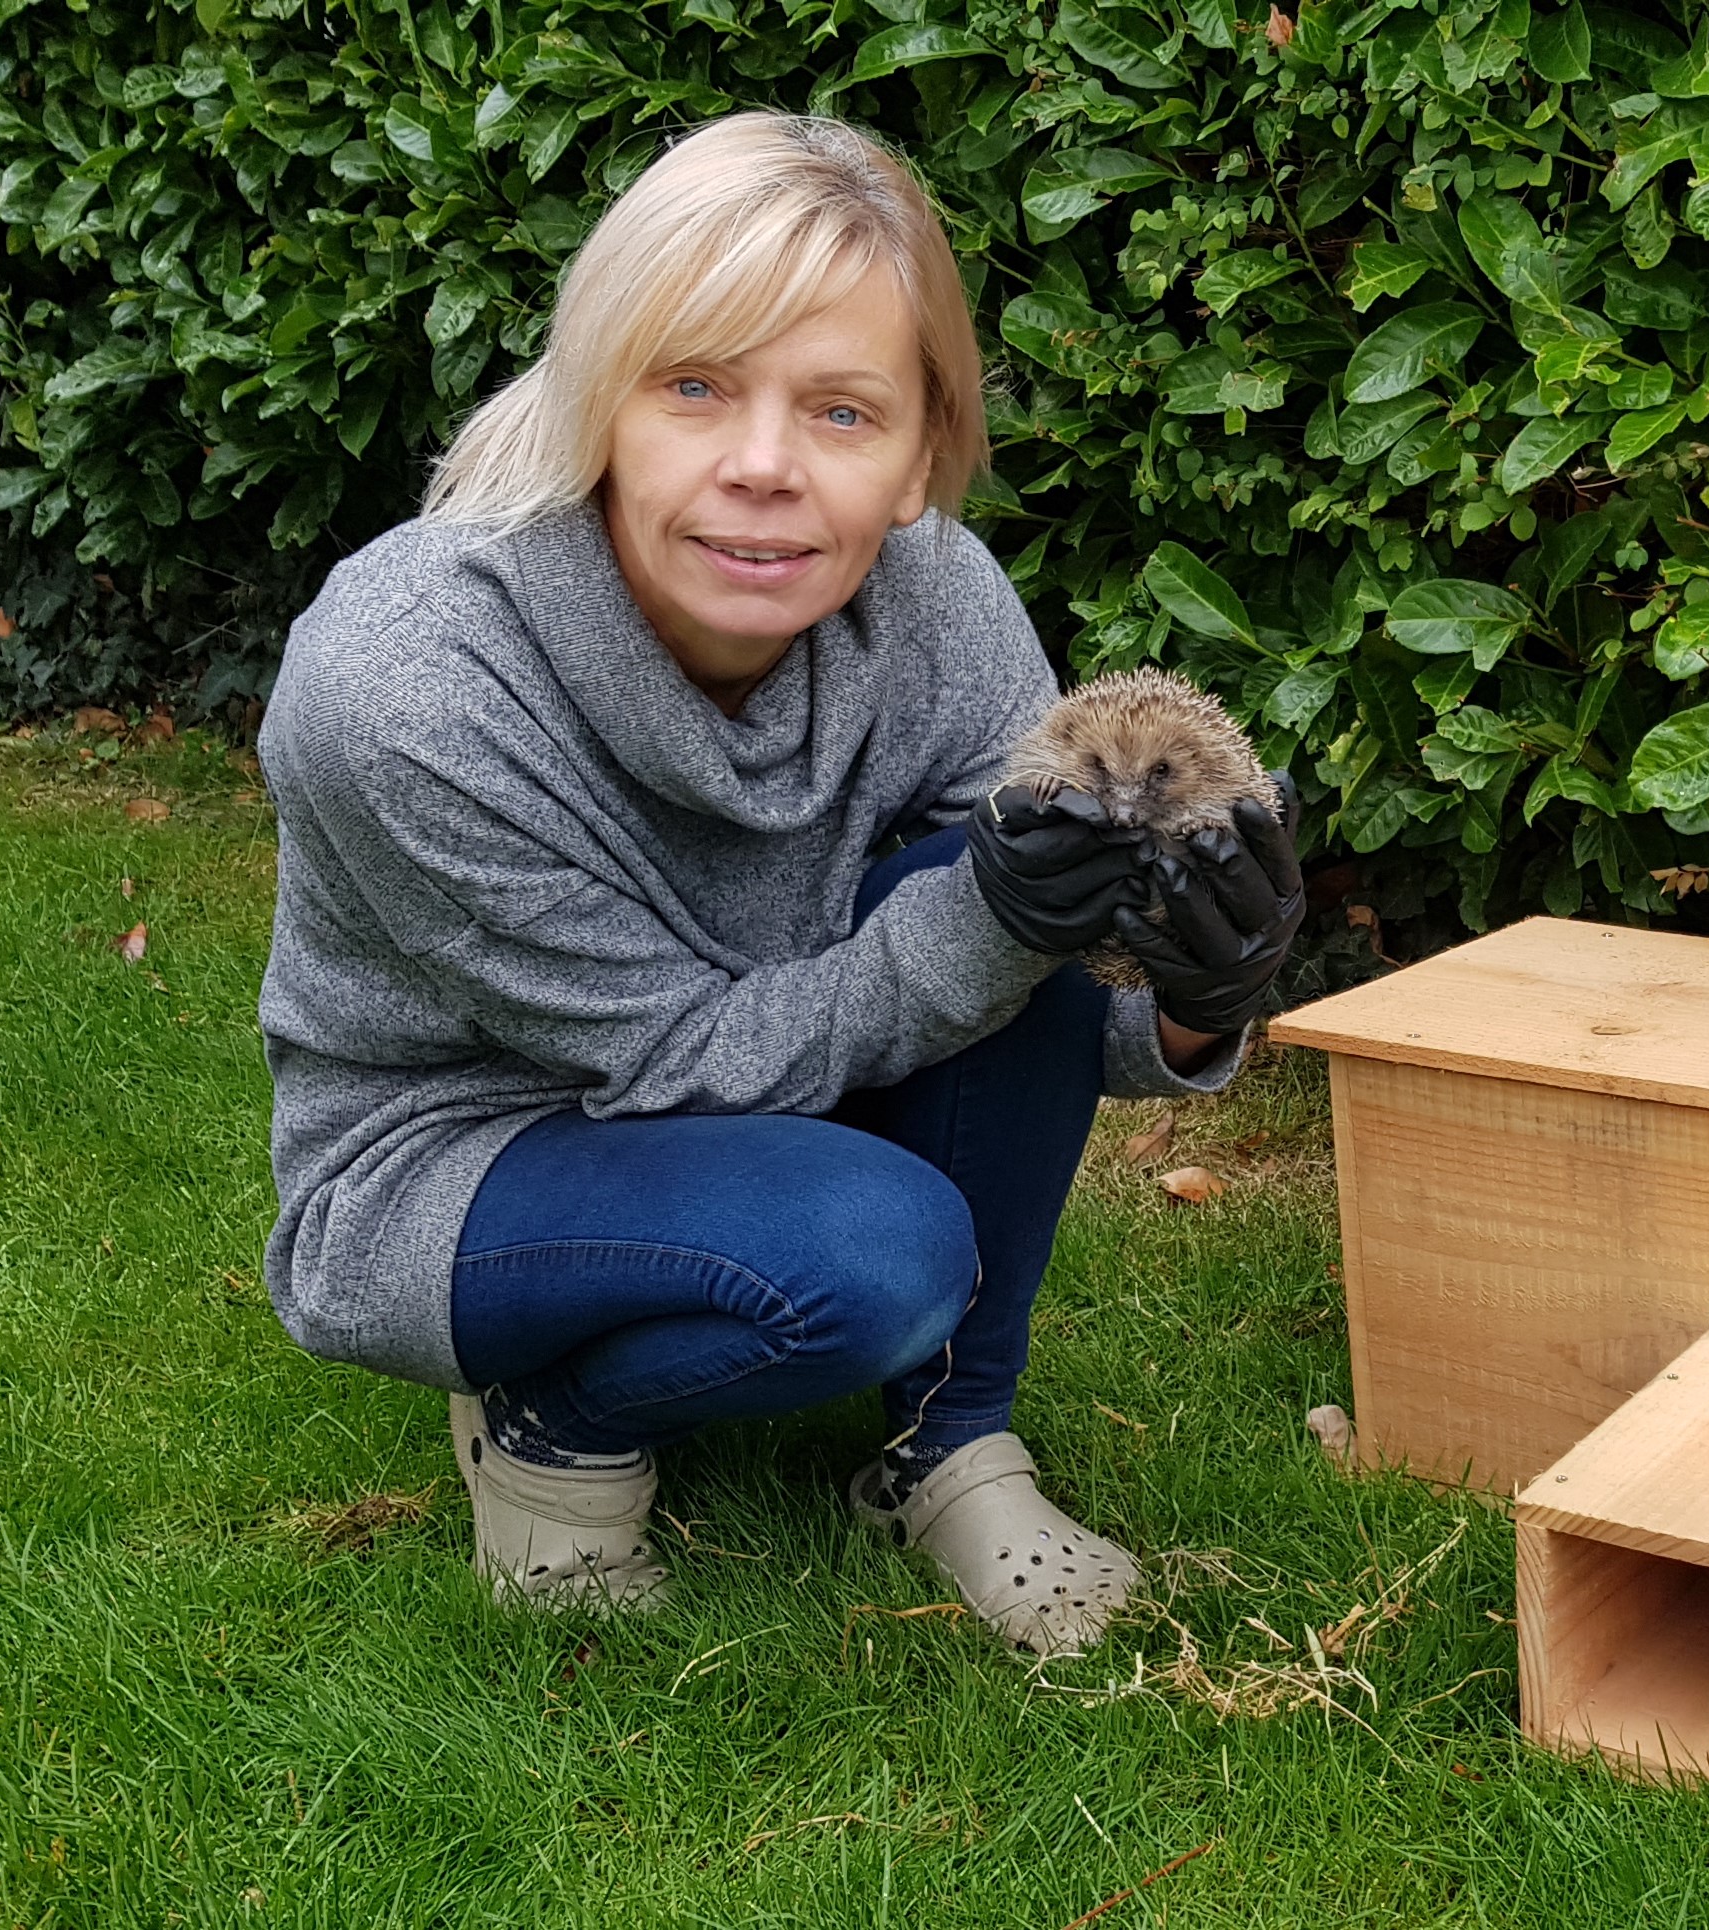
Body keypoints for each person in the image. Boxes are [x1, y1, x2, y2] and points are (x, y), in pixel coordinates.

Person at [254, 111, 1303, 1654]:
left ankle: (949, 1442)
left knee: (1008, 867)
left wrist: (1197, 1003)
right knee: (873, 1251)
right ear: (594, 399)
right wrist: (987, 924)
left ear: (920, 455)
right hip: (462, 1150)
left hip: (780, 1064)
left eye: (840, 410)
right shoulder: (404, 680)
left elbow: (1010, 973)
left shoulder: (936, 597)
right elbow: (666, 1057)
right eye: (694, 387)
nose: (761, 467)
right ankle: (551, 1417)